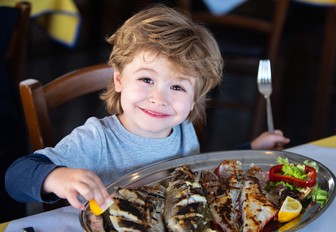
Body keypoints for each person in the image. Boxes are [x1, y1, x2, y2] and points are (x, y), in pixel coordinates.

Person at [5, 5, 289, 212]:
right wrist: (56, 177)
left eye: (177, 87)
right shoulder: (96, 140)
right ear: (119, 79)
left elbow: (204, 166)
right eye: (146, 79)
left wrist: (251, 147)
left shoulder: (183, 129)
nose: (159, 98)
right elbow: (15, 177)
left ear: (195, 99)